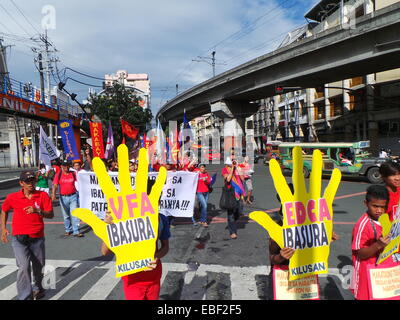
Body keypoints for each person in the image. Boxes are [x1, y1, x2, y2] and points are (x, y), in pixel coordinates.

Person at [0, 171, 54, 300]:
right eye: (27, 181)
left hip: (37, 237)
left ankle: (38, 289)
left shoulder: (42, 196)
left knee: (38, 267)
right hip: (19, 238)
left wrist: (38, 211)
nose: (31, 183)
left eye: (32, 180)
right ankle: (25, 296)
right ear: (21, 183)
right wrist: (3, 228)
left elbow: (50, 214)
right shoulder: (13, 197)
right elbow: (4, 210)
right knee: (23, 267)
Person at [101, 211, 171, 300]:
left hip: (153, 276)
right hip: (132, 279)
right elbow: (105, 252)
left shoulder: (160, 219)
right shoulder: (119, 219)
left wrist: (156, 256)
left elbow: (165, 247)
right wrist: (109, 228)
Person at [351, 184, 392, 300]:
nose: (379, 210)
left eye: (383, 207)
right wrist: (378, 245)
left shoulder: (385, 220)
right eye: (375, 206)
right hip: (365, 276)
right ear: (366, 203)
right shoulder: (363, 225)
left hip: (380, 274)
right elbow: (360, 254)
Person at [51, 160, 83, 237]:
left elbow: (81, 181)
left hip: (73, 197)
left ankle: (76, 231)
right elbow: (55, 185)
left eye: (68, 165)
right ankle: (68, 230)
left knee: (74, 214)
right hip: (63, 197)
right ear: (61, 166)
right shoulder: (58, 175)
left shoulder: (73, 174)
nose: (66, 167)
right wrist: (53, 195)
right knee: (66, 215)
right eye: (64, 166)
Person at [221, 157, 245, 239]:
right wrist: (232, 169)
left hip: (238, 194)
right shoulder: (225, 170)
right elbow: (228, 179)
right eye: (232, 161)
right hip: (230, 194)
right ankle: (233, 232)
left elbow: (242, 179)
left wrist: (238, 169)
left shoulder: (237, 169)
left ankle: (232, 223)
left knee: (238, 213)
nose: (233, 162)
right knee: (230, 214)